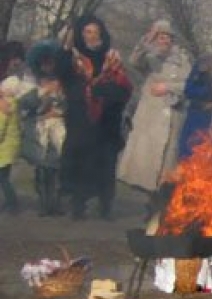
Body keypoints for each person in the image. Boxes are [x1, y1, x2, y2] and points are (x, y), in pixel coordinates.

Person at [64, 14, 133, 220]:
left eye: (95, 32)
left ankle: (105, 206)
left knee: (106, 165)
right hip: (81, 121)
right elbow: (67, 83)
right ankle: (78, 205)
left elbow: (124, 90)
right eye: (87, 32)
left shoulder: (112, 59)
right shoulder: (73, 59)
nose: (91, 36)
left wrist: (100, 91)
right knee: (80, 163)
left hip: (107, 123)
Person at [117, 20, 192, 193]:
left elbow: (189, 84)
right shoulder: (149, 57)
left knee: (168, 158)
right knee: (146, 155)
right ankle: (146, 191)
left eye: (167, 37)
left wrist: (168, 87)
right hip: (151, 114)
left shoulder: (182, 60)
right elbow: (134, 61)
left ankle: (162, 193)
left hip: (174, 113)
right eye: (160, 37)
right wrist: (146, 40)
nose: (164, 41)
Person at [19, 41, 70, 216]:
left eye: (51, 63)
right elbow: (25, 104)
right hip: (40, 130)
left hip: (59, 129)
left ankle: (55, 204)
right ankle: (43, 204)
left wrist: (60, 110)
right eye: (45, 63)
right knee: (41, 169)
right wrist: (42, 93)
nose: (48, 66)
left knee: (57, 169)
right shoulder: (32, 84)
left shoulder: (63, 84)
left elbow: (70, 105)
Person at [0, 75, 23, 213]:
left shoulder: (4, 105)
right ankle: (11, 203)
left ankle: (12, 204)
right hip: (10, 146)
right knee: (4, 178)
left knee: (3, 179)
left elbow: (1, 126)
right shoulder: (14, 103)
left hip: (3, 148)